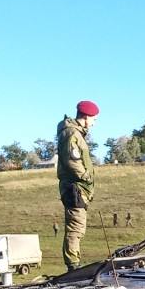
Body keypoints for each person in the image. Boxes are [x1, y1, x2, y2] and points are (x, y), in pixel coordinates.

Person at [57, 101, 98, 269]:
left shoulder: (74, 133)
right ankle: (73, 265)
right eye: (94, 119)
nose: (94, 123)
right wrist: (86, 177)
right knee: (76, 227)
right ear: (86, 117)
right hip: (75, 187)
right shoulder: (72, 134)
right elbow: (72, 161)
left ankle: (74, 262)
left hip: (77, 187)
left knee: (77, 226)